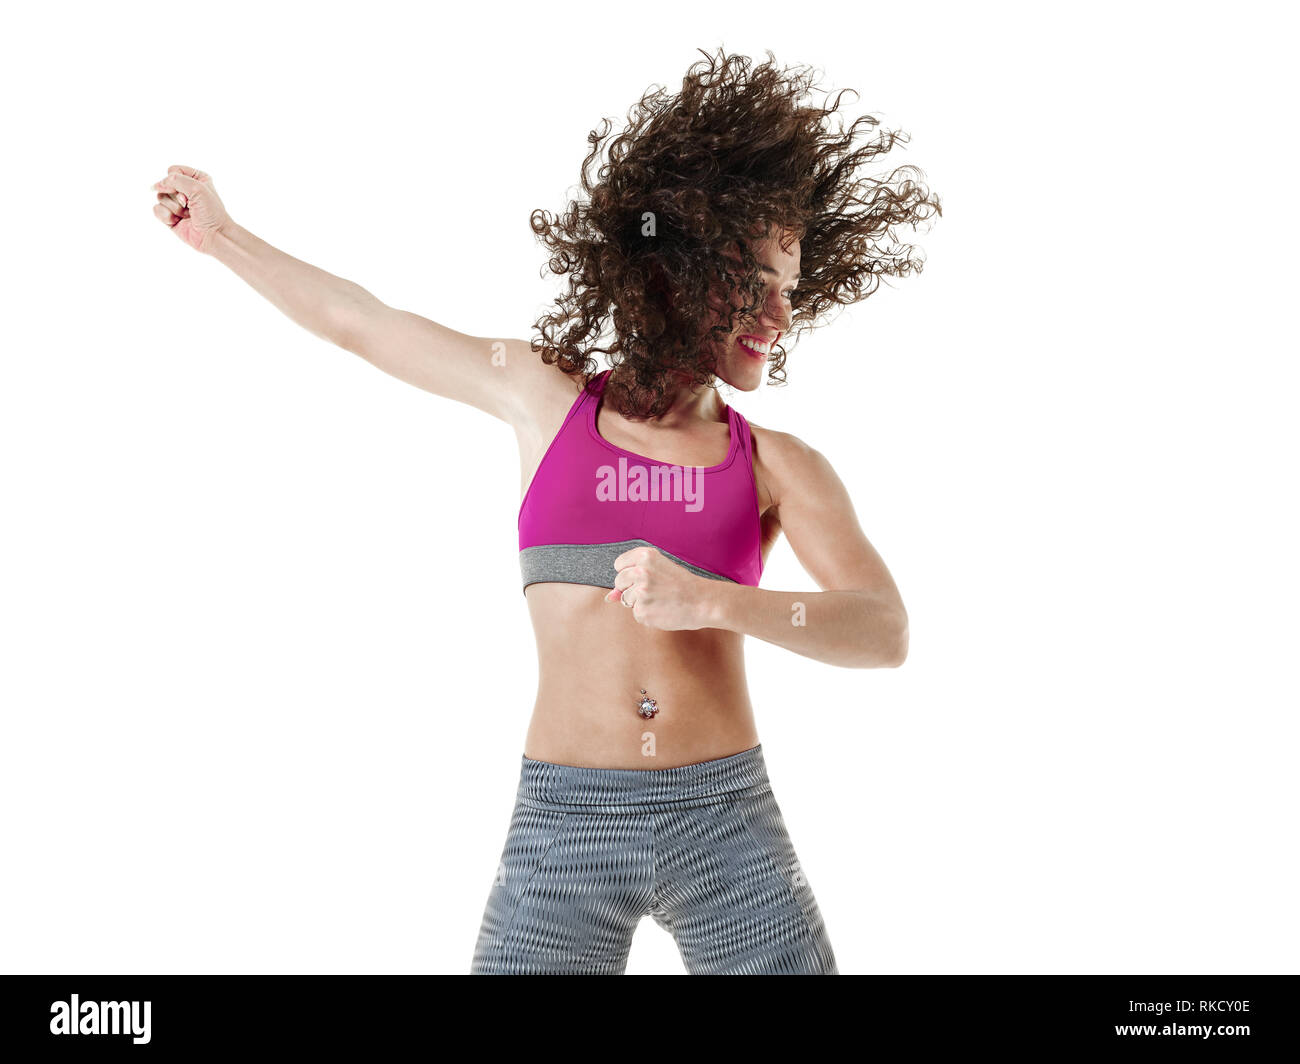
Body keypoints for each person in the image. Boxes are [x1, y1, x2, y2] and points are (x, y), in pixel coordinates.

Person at [151, 48, 940, 975]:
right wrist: (225, 235)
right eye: (755, 280)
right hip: (564, 819)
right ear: (678, 266)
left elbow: (881, 629)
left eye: (793, 290)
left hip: (725, 821)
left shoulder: (776, 464)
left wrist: (715, 601)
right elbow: (359, 320)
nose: (781, 313)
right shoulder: (542, 397)